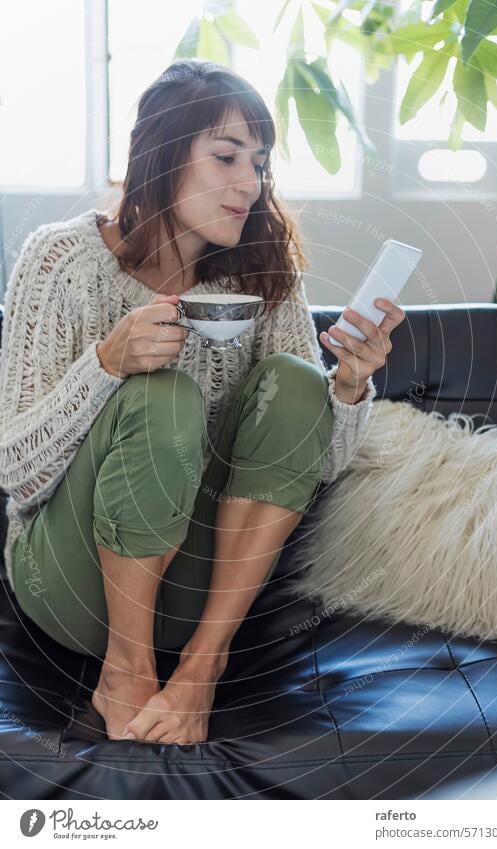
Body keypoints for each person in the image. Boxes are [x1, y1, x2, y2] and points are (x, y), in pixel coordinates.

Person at [0, 59, 404, 745]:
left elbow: (312, 465)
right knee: (161, 395)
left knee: (299, 380)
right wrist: (106, 365)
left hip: (198, 595)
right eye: (225, 156)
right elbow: (14, 471)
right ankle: (124, 675)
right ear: (162, 154)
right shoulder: (60, 259)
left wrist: (348, 386)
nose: (249, 184)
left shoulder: (264, 273)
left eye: (259, 162)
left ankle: (200, 672)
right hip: (70, 585)